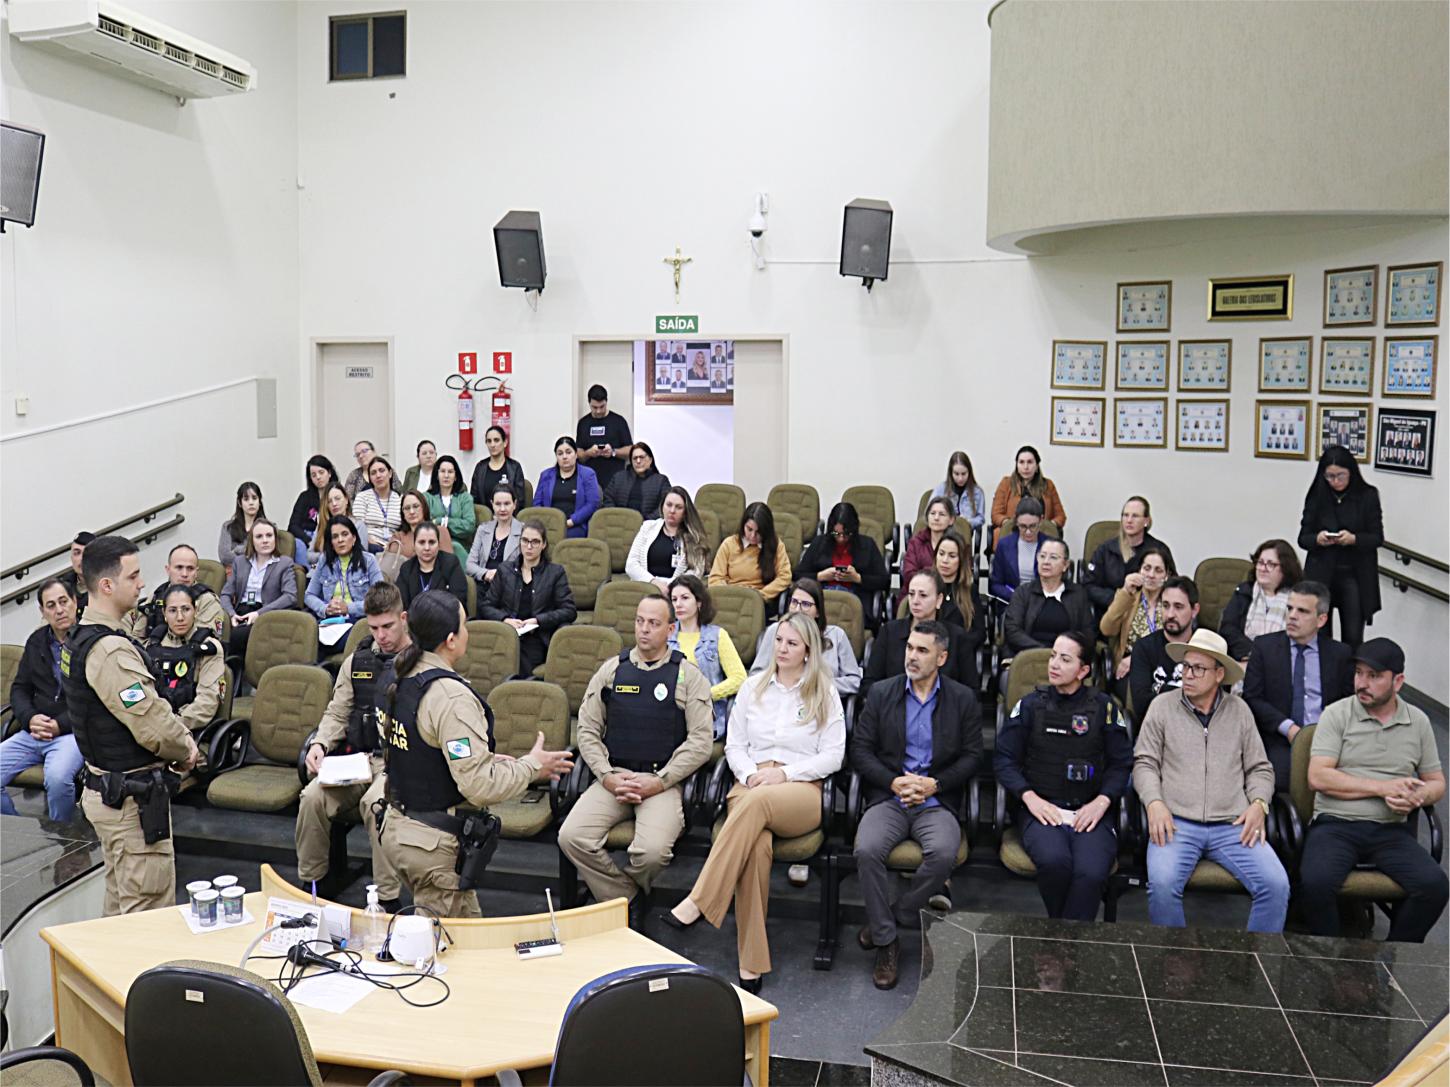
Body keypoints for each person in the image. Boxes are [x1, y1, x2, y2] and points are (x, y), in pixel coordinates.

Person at [662, 613, 845, 993]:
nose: (782, 648)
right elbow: (734, 746)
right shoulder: (753, 687)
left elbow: (833, 756)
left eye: (792, 643)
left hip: (801, 789)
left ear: (808, 650)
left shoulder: (823, 692)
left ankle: (700, 900)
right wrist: (749, 775)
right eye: (779, 640)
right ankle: (752, 962)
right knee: (756, 847)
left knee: (758, 804)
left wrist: (784, 774)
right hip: (750, 782)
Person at [378, 591, 574, 917]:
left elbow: (421, 747)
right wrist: (531, 767)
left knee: (468, 927)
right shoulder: (451, 698)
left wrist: (485, 760)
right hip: (431, 845)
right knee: (442, 944)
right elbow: (480, 787)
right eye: (465, 625)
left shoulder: (395, 674)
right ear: (451, 640)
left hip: (398, 827)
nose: (468, 632)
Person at [62, 535, 199, 915]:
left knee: (119, 911)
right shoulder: (109, 651)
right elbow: (150, 723)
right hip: (129, 805)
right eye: (133, 576)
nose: (142, 584)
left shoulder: (83, 637)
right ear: (107, 585)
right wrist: (185, 748)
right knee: (145, 919)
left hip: (111, 793)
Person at [557, 595, 713, 929]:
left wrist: (660, 780)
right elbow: (587, 730)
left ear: (670, 629)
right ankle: (627, 897)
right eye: (640, 621)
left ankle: (618, 896)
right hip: (615, 778)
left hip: (661, 782)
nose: (644, 629)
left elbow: (701, 741)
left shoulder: (688, 675)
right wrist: (607, 775)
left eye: (654, 623)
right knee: (571, 836)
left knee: (652, 852)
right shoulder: (612, 670)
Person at [851, 620, 981, 989]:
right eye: (910, 648)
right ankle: (887, 943)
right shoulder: (882, 693)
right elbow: (860, 750)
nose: (912, 656)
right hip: (890, 796)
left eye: (922, 650)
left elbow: (973, 756)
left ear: (941, 657)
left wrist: (935, 784)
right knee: (866, 849)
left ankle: (893, 916)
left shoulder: (962, 699)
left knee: (944, 854)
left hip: (935, 800)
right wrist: (893, 781)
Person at [1132, 630, 1288, 933]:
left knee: (1276, 885)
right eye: (1185, 666)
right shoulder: (1162, 707)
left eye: (1198, 669)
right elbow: (1144, 763)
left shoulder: (1240, 711)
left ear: (1219, 675)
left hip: (1232, 825)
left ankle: (1254, 958)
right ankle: (1175, 959)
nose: (1188, 675)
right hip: (1175, 821)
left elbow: (1260, 768)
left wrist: (1259, 804)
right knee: (1162, 886)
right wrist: (1154, 803)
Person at [1300, 638, 1447, 942]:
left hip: (1391, 831)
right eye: (1359, 673)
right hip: (1336, 825)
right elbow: (1318, 777)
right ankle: (1331, 957)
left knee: (1434, 886)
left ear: (1398, 681)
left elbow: (1436, 782)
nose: (1362, 683)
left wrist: (1419, 796)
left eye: (1374, 676)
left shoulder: (1417, 722)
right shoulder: (1337, 714)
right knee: (1315, 883)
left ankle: (1388, 955)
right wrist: (1382, 788)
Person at [995, 630, 1131, 922]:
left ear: (1083, 671)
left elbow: (1121, 764)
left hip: (1090, 808)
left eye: (1065, 659)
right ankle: (1069, 937)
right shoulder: (1031, 705)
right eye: (1053, 656)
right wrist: (1029, 797)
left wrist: (1103, 801)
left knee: (1091, 872)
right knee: (1055, 863)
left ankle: (1061, 938)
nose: (1054, 664)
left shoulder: (1104, 707)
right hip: (1042, 807)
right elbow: (1004, 760)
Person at [297, 583, 409, 906]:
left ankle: (388, 899)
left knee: (376, 805)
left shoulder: (421, 661)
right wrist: (320, 744)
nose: (381, 635)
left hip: (402, 765)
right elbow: (338, 711)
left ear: (403, 618)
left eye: (388, 626)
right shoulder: (358, 660)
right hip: (359, 760)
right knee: (311, 798)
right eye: (374, 628)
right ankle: (313, 884)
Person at [1243, 581, 1354, 789]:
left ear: (1321, 620)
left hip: (1328, 739)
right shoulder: (1265, 647)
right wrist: (1289, 728)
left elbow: (1347, 703)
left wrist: (1327, 732)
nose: (1292, 616)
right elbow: (1252, 698)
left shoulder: (1339, 654)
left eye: (1302, 611)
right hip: (1280, 738)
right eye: (1290, 608)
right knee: (1279, 779)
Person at [1, 579, 84, 823]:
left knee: (57, 779)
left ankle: (63, 835)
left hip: (73, 732)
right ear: (42, 611)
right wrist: (30, 718)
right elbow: (19, 689)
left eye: (63, 602)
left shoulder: (90, 641)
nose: (59, 610)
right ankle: (20, 833)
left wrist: (60, 725)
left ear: (75, 602)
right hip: (34, 730)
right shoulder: (36, 641)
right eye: (51, 605)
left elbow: (94, 700)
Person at [1298, 447, 1383, 646]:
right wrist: (1318, 539)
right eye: (1330, 476)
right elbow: (1303, 538)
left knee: (1353, 637)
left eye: (1340, 476)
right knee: (1320, 636)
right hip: (1321, 575)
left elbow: (1377, 537)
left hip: (1354, 574)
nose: (1335, 481)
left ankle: (1350, 668)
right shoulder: (1317, 495)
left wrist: (1354, 539)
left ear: (1351, 472)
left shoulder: (1367, 495)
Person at [479, 520, 577, 674]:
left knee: (519, 666)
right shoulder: (505, 570)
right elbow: (486, 605)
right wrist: (505, 619)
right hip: (506, 633)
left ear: (544, 545)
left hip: (535, 638)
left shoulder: (555, 573)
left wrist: (538, 620)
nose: (529, 546)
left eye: (535, 542)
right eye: (525, 541)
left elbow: (569, 610)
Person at [863, 571, 978, 698]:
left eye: (923, 595)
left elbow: (971, 692)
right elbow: (870, 684)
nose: (915, 601)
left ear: (939, 600)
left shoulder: (957, 637)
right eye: (911, 594)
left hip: (944, 708)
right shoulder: (889, 632)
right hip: (894, 706)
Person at [667, 574, 746, 738]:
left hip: (706, 715)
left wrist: (704, 695)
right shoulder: (665, 634)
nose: (678, 604)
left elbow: (739, 678)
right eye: (674, 599)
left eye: (685, 598)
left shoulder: (717, 635)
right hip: (670, 713)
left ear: (699, 602)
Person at [144, 586, 227, 738]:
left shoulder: (208, 647)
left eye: (186, 609)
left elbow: (207, 702)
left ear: (195, 610)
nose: (180, 617)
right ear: (164, 613)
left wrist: (170, 726)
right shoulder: (152, 644)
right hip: (153, 726)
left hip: (188, 731)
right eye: (172, 610)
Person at [796, 502, 890, 629]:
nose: (841, 538)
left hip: (854, 600)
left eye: (846, 534)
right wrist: (820, 576)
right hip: (823, 598)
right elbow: (798, 575)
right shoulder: (820, 543)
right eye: (836, 534)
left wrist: (858, 578)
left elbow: (884, 581)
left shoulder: (867, 545)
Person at [1002, 539, 1094, 656]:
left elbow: (1087, 634)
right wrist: (1046, 652)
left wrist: (1062, 652)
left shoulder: (1077, 594)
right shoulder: (1023, 592)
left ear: (1065, 565)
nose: (1046, 562)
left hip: (1066, 657)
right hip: (1027, 655)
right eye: (1042, 556)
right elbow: (1012, 631)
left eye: (1053, 557)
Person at [220, 518, 297, 657]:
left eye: (269, 535)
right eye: (259, 536)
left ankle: (236, 667)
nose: (265, 540)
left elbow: (290, 596)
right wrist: (232, 614)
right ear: (252, 541)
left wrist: (259, 614)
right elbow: (225, 594)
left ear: (275, 539)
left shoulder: (284, 563)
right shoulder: (240, 562)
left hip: (266, 612)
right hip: (241, 611)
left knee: (238, 635)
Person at [1084, 497, 1176, 611]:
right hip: (1110, 610)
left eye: (1135, 516)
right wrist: (1117, 598)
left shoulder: (1159, 550)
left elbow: (1172, 584)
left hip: (1147, 611)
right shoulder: (1105, 550)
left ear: (1146, 521)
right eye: (1125, 515)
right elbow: (1089, 586)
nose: (1129, 520)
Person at [1219, 539, 1302, 663]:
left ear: (1286, 568)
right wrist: (1253, 654)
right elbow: (1228, 629)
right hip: (1245, 660)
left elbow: (1302, 637)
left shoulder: (1299, 598)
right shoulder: (1244, 592)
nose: (1263, 568)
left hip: (1284, 663)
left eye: (1271, 564)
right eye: (1260, 562)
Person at [1128, 576, 1199, 721]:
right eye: (1165, 606)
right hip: (1156, 728)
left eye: (1178, 607)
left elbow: (1211, 703)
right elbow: (1141, 706)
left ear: (1194, 610)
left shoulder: (1205, 647)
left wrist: (1160, 690)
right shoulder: (1144, 647)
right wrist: (1188, 695)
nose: (1170, 614)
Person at [1101, 545, 1175, 681]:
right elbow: (1107, 629)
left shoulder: (1172, 603)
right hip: (1128, 668)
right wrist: (1125, 592)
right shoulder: (1129, 597)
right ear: (1139, 570)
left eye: (1158, 570)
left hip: (1163, 665)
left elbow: (1176, 641)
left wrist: (1137, 658)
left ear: (1167, 575)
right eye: (1147, 568)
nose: (1151, 575)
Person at [127, 545, 226, 643]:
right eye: (179, 567)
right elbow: (137, 638)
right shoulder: (156, 596)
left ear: (196, 572)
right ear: (168, 570)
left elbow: (204, 642)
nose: (184, 574)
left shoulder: (207, 600)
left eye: (190, 568)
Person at [626, 485, 711, 590]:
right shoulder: (647, 528)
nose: (672, 510)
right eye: (669, 505)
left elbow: (696, 571)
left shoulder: (694, 536)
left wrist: (670, 586)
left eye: (678, 507)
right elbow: (631, 564)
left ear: (685, 512)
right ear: (662, 506)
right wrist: (654, 582)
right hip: (645, 587)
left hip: (677, 592)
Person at [709, 502, 792, 605]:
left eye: (759, 532)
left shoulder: (776, 545)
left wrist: (760, 595)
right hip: (730, 598)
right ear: (743, 525)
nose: (753, 536)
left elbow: (785, 577)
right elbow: (715, 578)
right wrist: (728, 596)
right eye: (749, 529)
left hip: (758, 601)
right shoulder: (729, 544)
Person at [305, 515, 384, 622]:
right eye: (335, 537)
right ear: (331, 543)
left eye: (345, 534)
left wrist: (349, 608)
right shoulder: (324, 560)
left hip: (360, 621)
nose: (340, 540)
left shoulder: (369, 560)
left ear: (354, 538)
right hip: (330, 621)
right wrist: (325, 608)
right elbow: (309, 595)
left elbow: (380, 598)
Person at [990, 445, 1067, 547]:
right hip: (1014, 532)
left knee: (1048, 530)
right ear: (1017, 466)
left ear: (1037, 466)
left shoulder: (1048, 485)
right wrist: (1008, 523)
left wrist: (1050, 525)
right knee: (1009, 528)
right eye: (1021, 462)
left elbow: (1061, 516)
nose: (1025, 467)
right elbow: (996, 514)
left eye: (1030, 462)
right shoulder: (1006, 483)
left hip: (1041, 534)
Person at [534, 436, 601, 538]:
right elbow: (537, 503)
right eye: (560, 453)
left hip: (576, 525)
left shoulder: (587, 474)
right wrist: (547, 521)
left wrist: (571, 521)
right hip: (549, 525)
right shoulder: (546, 475)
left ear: (576, 454)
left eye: (568, 452)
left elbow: (592, 503)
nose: (564, 457)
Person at [396, 522, 468, 612]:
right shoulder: (406, 568)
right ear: (414, 545)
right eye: (421, 542)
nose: (427, 548)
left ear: (438, 545)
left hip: (446, 617)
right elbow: (402, 605)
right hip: (414, 619)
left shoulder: (451, 563)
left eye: (432, 542)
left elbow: (458, 600)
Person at [575, 385, 633, 492]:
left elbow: (630, 451)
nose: (598, 411)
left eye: (602, 407)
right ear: (589, 403)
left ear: (606, 402)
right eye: (594, 407)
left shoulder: (618, 421)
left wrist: (613, 452)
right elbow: (578, 454)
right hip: (589, 480)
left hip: (614, 480)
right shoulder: (583, 423)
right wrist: (589, 453)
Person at [987, 498, 1046, 602]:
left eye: (1033, 526)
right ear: (1016, 521)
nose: (1028, 532)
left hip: (1041, 602)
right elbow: (996, 584)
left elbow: (1057, 583)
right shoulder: (1004, 545)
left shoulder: (1049, 545)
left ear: (1041, 520)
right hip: (1012, 601)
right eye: (1023, 526)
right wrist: (1015, 596)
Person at [466, 485, 523, 589]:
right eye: (498, 504)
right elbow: (469, 565)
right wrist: (485, 574)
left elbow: (526, 568)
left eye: (507, 504)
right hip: (483, 584)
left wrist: (501, 576)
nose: (502, 509)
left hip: (510, 588)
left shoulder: (523, 531)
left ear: (514, 504)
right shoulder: (483, 529)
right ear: (492, 504)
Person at [424, 454, 476, 568]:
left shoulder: (465, 498)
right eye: (442, 471)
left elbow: (469, 526)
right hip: (433, 546)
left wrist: (440, 521)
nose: (446, 475)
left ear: (456, 476)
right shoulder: (427, 498)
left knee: (455, 546)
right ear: (437, 475)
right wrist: (456, 525)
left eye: (450, 472)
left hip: (461, 547)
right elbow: (425, 525)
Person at [287, 456, 340, 563]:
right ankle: (306, 573)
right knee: (298, 544)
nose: (318, 477)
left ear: (329, 473)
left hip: (328, 535)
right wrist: (310, 541)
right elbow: (293, 525)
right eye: (314, 475)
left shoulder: (337, 495)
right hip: (306, 537)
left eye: (321, 472)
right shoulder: (304, 497)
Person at [602, 442, 671, 519]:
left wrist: (645, 521)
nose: (638, 461)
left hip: (649, 524)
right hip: (619, 523)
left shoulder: (661, 481)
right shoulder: (618, 478)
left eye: (641, 457)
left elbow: (665, 505)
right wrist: (615, 517)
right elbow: (607, 499)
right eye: (635, 458)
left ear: (650, 460)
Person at [352, 455, 403, 553]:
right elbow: (358, 527)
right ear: (370, 478)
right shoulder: (362, 497)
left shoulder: (399, 499)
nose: (378, 475)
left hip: (394, 547)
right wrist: (374, 543)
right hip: (369, 546)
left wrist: (391, 546)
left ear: (390, 473)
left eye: (382, 470)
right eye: (373, 473)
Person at [902, 497, 956, 588]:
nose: (936, 518)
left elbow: (962, 574)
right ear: (927, 518)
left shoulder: (957, 544)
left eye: (942, 514)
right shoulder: (916, 542)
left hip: (949, 590)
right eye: (932, 513)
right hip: (919, 590)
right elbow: (908, 573)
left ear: (951, 520)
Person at [930, 451, 987, 535]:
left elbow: (980, 519)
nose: (960, 478)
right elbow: (930, 513)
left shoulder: (977, 492)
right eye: (956, 474)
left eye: (963, 474)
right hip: (942, 533)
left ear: (969, 472)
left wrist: (968, 522)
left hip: (964, 534)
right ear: (951, 473)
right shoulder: (941, 489)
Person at [469, 425, 528, 507]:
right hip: (485, 514)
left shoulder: (515, 467)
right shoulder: (480, 467)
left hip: (508, 514)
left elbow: (519, 501)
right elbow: (474, 500)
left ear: (505, 443)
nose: (492, 445)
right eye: (489, 441)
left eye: (496, 440)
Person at [217, 481, 266, 568]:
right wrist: (248, 551)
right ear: (240, 503)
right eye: (246, 499)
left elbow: (264, 555)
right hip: (233, 571)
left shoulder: (268, 528)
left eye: (254, 498)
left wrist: (237, 550)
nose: (251, 503)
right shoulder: (228, 526)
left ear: (259, 502)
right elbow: (224, 556)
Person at [310, 483, 352, 567]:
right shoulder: (322, 526)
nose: (334, 504)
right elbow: (309, 555)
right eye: (329, 501)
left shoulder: (357, 525)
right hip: (320, 570)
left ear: (346, 500)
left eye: (337, 499)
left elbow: (361, 555)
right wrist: (325, 556)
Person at [386, 489, 433, 562]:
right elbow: (391, 562)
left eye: (416, 506)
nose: (411, 512)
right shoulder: (398, 537)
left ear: (424, 508)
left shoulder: (441, 532)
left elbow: (448, 563)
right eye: (407, 508)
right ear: (403, 513)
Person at [59, 531, 94, 618]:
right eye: (77, 553)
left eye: (86, 553)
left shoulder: (109, 585)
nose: (81, 558)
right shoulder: (62, 587)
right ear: (71, 558)